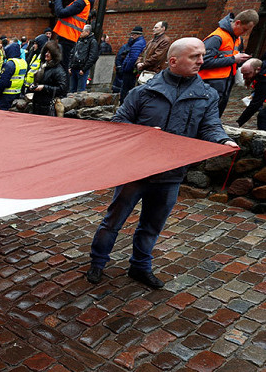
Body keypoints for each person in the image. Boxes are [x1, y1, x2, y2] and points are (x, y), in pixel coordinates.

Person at [86, 38, 238, 288]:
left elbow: (210, 127)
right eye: (195, 56)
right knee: (113, 221)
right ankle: (98, 263)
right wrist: (141, 132)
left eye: (202, 55)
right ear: (174, 60)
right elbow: (117, 124)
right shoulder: (143, 91)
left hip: (171, 174)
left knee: (152, 226)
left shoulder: (207, 95)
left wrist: (224, 140)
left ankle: (140, 267)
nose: (202, 60)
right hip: (136, 171)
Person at [199, 9, 259, 116]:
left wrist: (244, 61)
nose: (244, 33)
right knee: (203, 116)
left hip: (225, 85)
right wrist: (233, 59)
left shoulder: (238, 39)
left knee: (215, 117)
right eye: (244, 29)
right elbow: (203, 62)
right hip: (209, 85)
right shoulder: (217, 37)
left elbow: (235, 58)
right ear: (237, 23)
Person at [54, 0, 95, 71]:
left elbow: (61, 13)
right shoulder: (82, 1)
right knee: (62, 65)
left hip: (68, 36)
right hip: (68, 36)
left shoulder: (81, 2)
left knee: (62, 67)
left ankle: (63, 85)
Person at [30, 40, 68, 116]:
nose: (46, 54)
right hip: (37, 105)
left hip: (48, 107)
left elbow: (62, 89)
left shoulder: (58, 70)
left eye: (49, 52)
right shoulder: (44, 66)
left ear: (54, 54)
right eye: (46, 52)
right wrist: (32, 86)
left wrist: (44, 88)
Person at [135, 21, 171, 85]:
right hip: (145, 71)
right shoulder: (151, 41)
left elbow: (157, 57)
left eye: (156, 27)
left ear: (163, 28)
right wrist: (138, 62)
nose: (153, 29)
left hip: (153, 73)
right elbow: (143, 53)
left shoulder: (165, 40)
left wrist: (143, 65)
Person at [0, 42, 27, 111]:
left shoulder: (10, 64)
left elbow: (3, 82)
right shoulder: (23, 63)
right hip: (17, 94)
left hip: (6, 96)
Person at [68, 24, 99, 92]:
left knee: (80, 92)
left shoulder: (92, 42)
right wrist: (70, 66)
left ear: (87, 32)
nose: (80, 33)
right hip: (73, 68)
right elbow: (72, 53)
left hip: (82, 70)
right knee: (71, 90)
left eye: (82, 31)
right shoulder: (78, 40)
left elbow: (93, 57)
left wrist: (84, 69)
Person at [237, 58, 266, 129]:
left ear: (258, 69)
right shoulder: (261, 67)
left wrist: (239, 122)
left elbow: (255, 104)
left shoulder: (263, 79)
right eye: (243, 74)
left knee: (263, 116)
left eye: (247, 74)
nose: (244, 77)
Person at [119, 26, 146, 102]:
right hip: (131, 70)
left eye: (133, 35)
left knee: (126, 89)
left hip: (129, 71)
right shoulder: (140, 42)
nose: (131, 37)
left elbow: (133, 58)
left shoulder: (137, 44)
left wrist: (126, 68)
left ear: (136, 35)